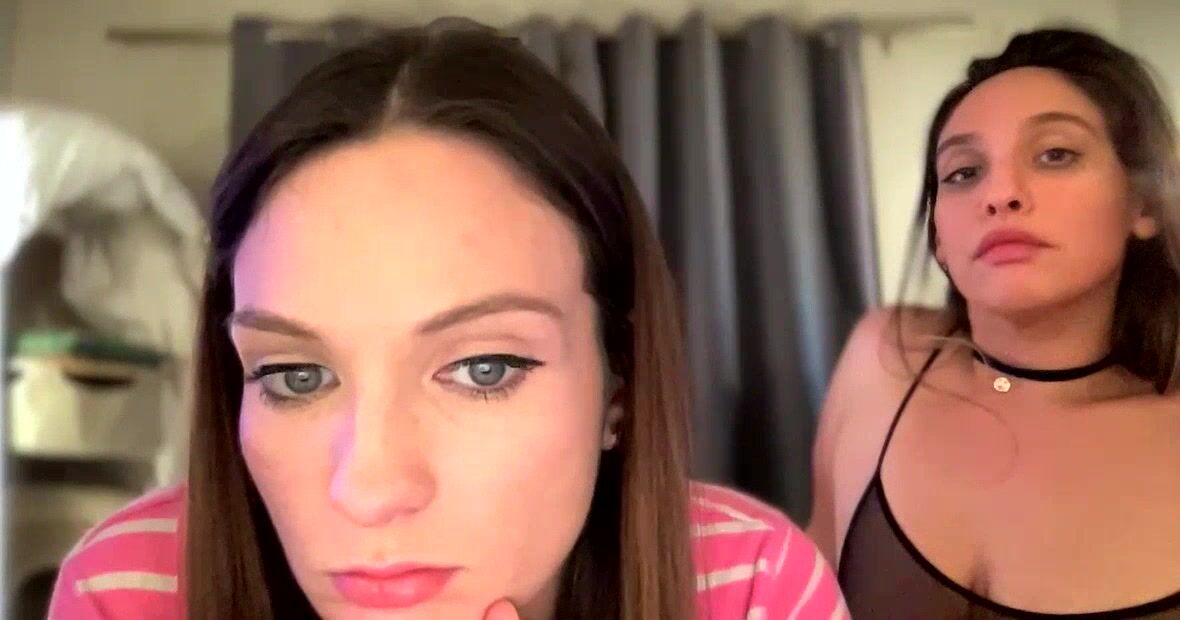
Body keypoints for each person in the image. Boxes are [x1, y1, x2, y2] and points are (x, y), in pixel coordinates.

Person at [48, 19, 847, 620]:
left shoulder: (750, 589)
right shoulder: (129, 591)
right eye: (295, 376)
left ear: (619, 385)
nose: (369, 489)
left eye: (482, 369)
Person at [808, 27, 1180, 618]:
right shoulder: (883, 359)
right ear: (939, 238)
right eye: (963, 172)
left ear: (1144, 204)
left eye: (1055, 154)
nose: (1000, 194)